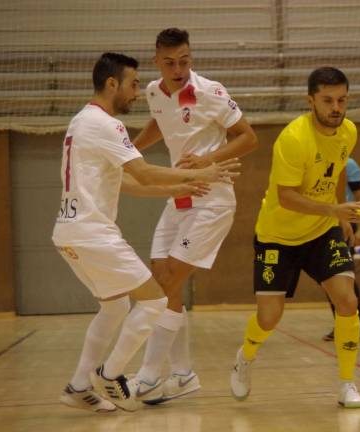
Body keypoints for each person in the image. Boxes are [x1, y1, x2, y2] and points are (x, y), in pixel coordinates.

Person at [53, 52, 239, 413]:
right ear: (112, 84)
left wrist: (175, 189)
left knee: (115, 306)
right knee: (154, 299)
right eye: (133, 84)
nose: (138, 93)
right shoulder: (107, 125)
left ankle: (78, 386)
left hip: (68, 233)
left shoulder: (80, 122)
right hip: (93, 234)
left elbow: (126, 182)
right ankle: (110, 375)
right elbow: (145, 172)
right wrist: (200, 174)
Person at [125, 27, 259, 405]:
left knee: (164, 283)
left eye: (184, 60)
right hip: (178, 198)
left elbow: (249, 138)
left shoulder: (210, 92)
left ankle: (149, 377)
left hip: (212, 200)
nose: (178, 68)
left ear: (190, 57)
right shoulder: (154, 92)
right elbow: (160, 121)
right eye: (170, 62)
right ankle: (183, 375)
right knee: (161, 281)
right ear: (157, 61)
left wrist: (206, 160)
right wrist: (129, 151)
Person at [230, 66, 360, 408]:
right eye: (327, 100)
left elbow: (334, 172)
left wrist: (340, 216)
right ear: (311, 101)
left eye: (342, 100)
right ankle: (245, 357)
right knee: (269, 318)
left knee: (347, 300)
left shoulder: (348, 132)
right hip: (278, 237)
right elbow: (287, 197)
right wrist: (335, 212)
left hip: (321, 231)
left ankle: (347, 383)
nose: (336, 107)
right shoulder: (293, 139)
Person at [322, 157, 360, 341]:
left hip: (345, 224)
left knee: (344, 276)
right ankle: (341, 323)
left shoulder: (348, 164)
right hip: (323, 224)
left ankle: (358, 324)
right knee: (329, 279)